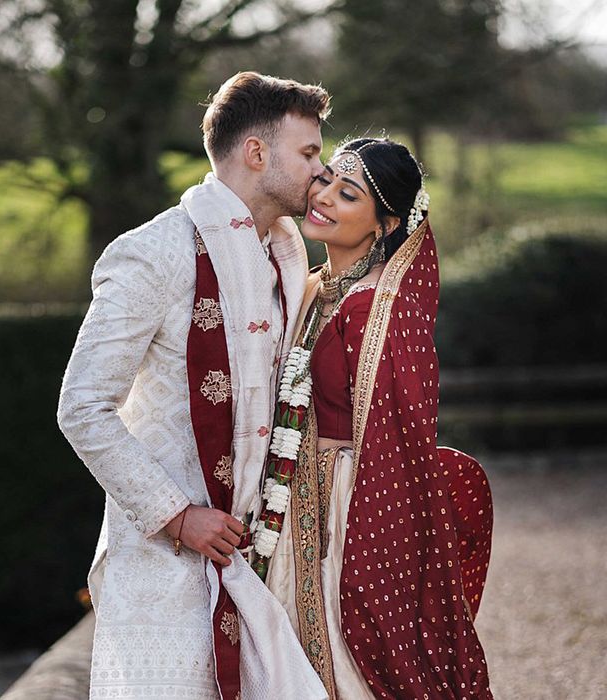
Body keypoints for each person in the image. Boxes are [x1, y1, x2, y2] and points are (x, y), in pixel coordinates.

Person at [57, 72, 332, 699]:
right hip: (165, 568)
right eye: (309, 152)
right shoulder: (152, 254)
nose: (321, 169)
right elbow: (82, 407)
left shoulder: (287, 252)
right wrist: (176, 515)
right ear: (257, 153)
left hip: (262, 561)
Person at [259, 137, 494, 698]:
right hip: (295, 495)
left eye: (348, 194)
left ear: (384, 225)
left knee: (347, 660)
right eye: (326, 181)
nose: (324, 198)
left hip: (349, 503)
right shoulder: (316, 289)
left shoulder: (373, 308)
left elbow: (400, 431)